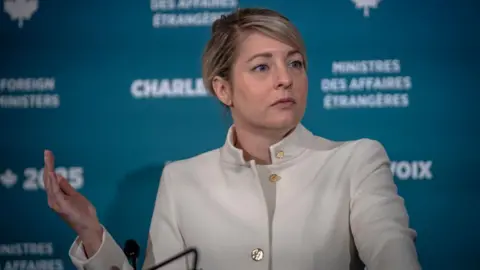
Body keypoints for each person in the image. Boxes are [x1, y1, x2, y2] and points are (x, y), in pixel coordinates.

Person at [43, 7, 421, 270]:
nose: (285, 78)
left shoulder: (357, 160)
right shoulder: (181, 179)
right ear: (223, 90)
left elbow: (394, 256)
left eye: (295, 63)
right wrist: (91, 232)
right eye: (262, 66)